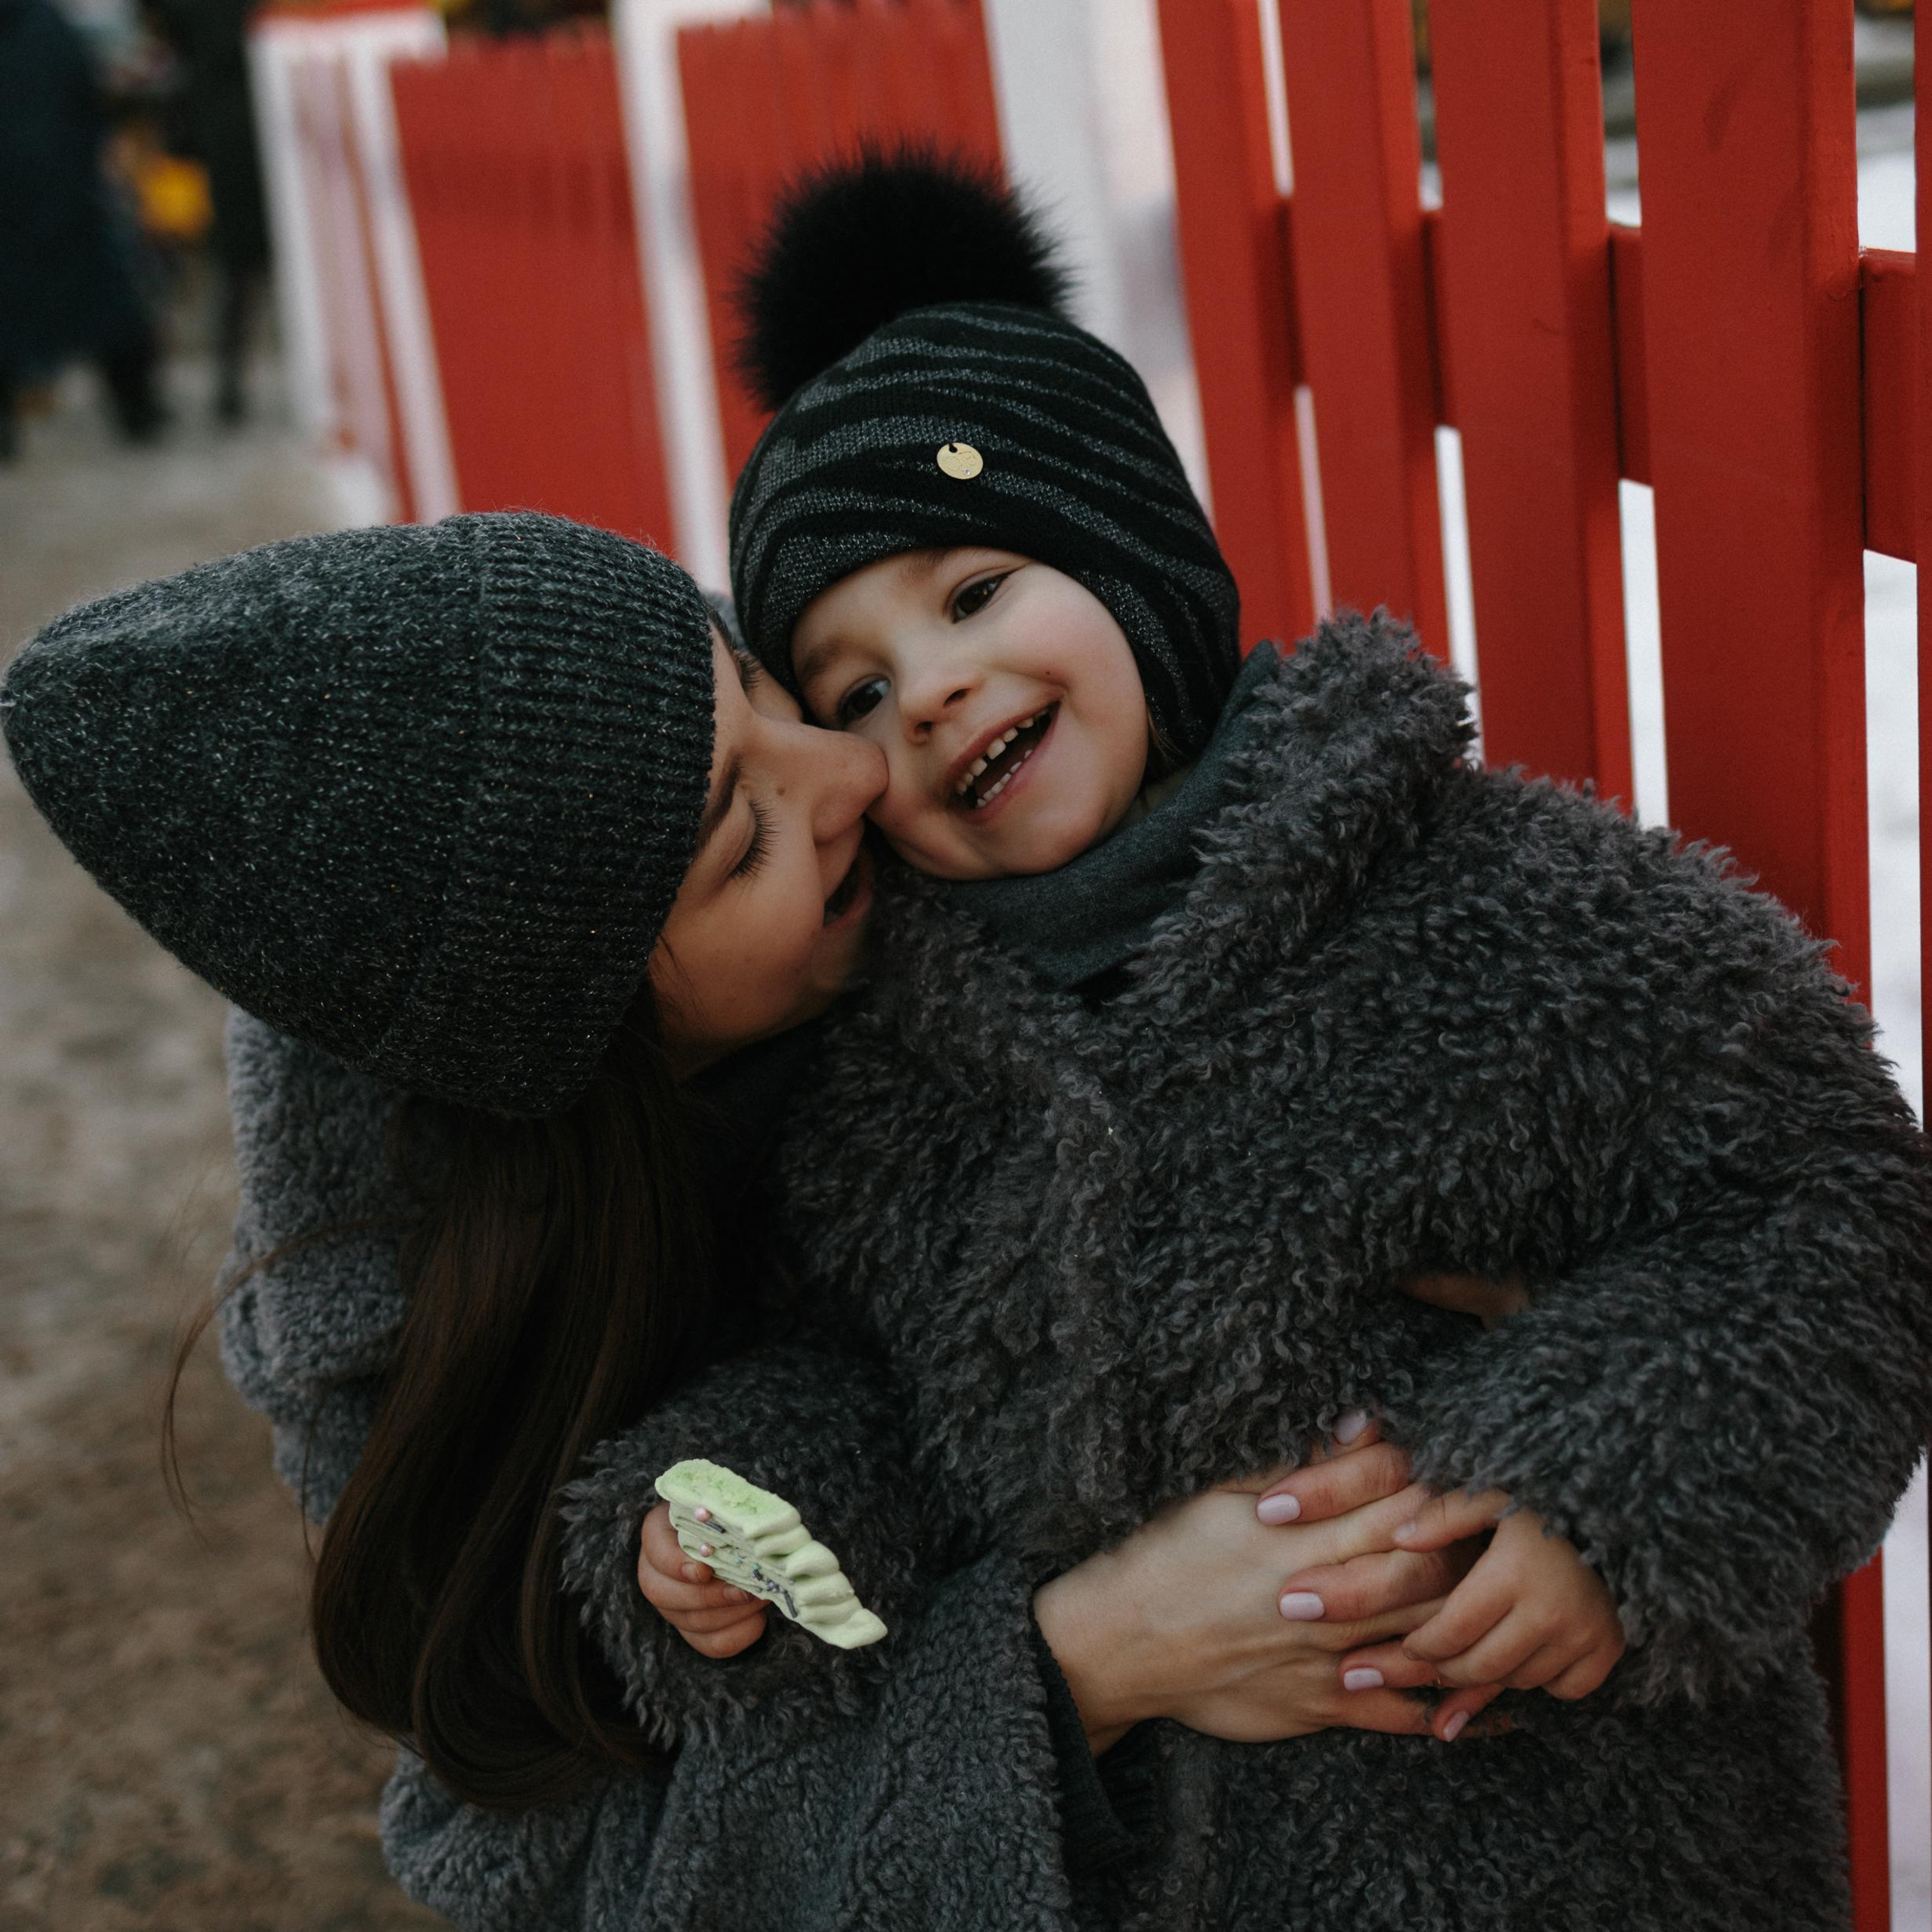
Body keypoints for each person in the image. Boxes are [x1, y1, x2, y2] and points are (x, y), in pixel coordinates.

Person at [552, 152, 1932, 1930]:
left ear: (1128, 554)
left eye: (972, 594)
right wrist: (746, 1501)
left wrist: (1599, 1493)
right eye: (856, 693)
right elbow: (847, 1365)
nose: (936, 689)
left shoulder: (1488, 899)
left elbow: (1820, 1199)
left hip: (1558, 1825)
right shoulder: (902, 1070)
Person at [0, 511, 1502, 1930]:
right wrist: (1085, 1665)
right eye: (743, 842)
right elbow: (549, 1867)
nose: (846, 773)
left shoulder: (905, 770)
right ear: (597, 1050)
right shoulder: (415, 1305)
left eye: (754, 687)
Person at [0, 0, 167, 457]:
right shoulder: (46, 24)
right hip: (66, 190)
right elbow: (86, 92)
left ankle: (6, 432)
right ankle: (138, 414)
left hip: (15, 203)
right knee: (108, 309)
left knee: (11, 320)